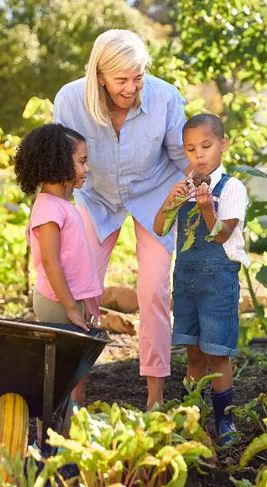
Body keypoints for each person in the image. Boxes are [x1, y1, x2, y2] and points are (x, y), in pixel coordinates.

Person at [53, 29, 190, 410]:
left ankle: (154, 398)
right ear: (99, 75)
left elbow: (186, 158)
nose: (132, 88)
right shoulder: (70, 100)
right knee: (84, 290)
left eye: (138, 77)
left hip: (155, 194)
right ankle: (74, 396)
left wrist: (207, 190)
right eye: (121, 80)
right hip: (95, 197)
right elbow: (61, 164)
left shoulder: (164, 98)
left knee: (153, 291)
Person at [153, 113, 249, 445]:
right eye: (191, 149)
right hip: (187, 280)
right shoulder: (186, 187)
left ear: (223, 144)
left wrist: (208, 207)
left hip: (218, 283)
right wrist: (171, 199)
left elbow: (222, 235)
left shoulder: (232, 187)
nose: (200, 155)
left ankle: (225, 421)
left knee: (216, 353)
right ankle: (188, 415)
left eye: (206, 146)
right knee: (193, 353)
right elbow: (159, 228)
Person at [14, 123, 102, 443]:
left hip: (70, 301)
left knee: (71, 372)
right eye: (81, 161)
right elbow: (50, 262)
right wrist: (70, 307)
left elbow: (73, 260)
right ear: (57, 163)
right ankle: (48, 439)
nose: (87, 168)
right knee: (57, 376)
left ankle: (63, 434)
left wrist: (84, 304)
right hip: (57, 302)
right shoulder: (49, 209)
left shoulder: (63, 205)